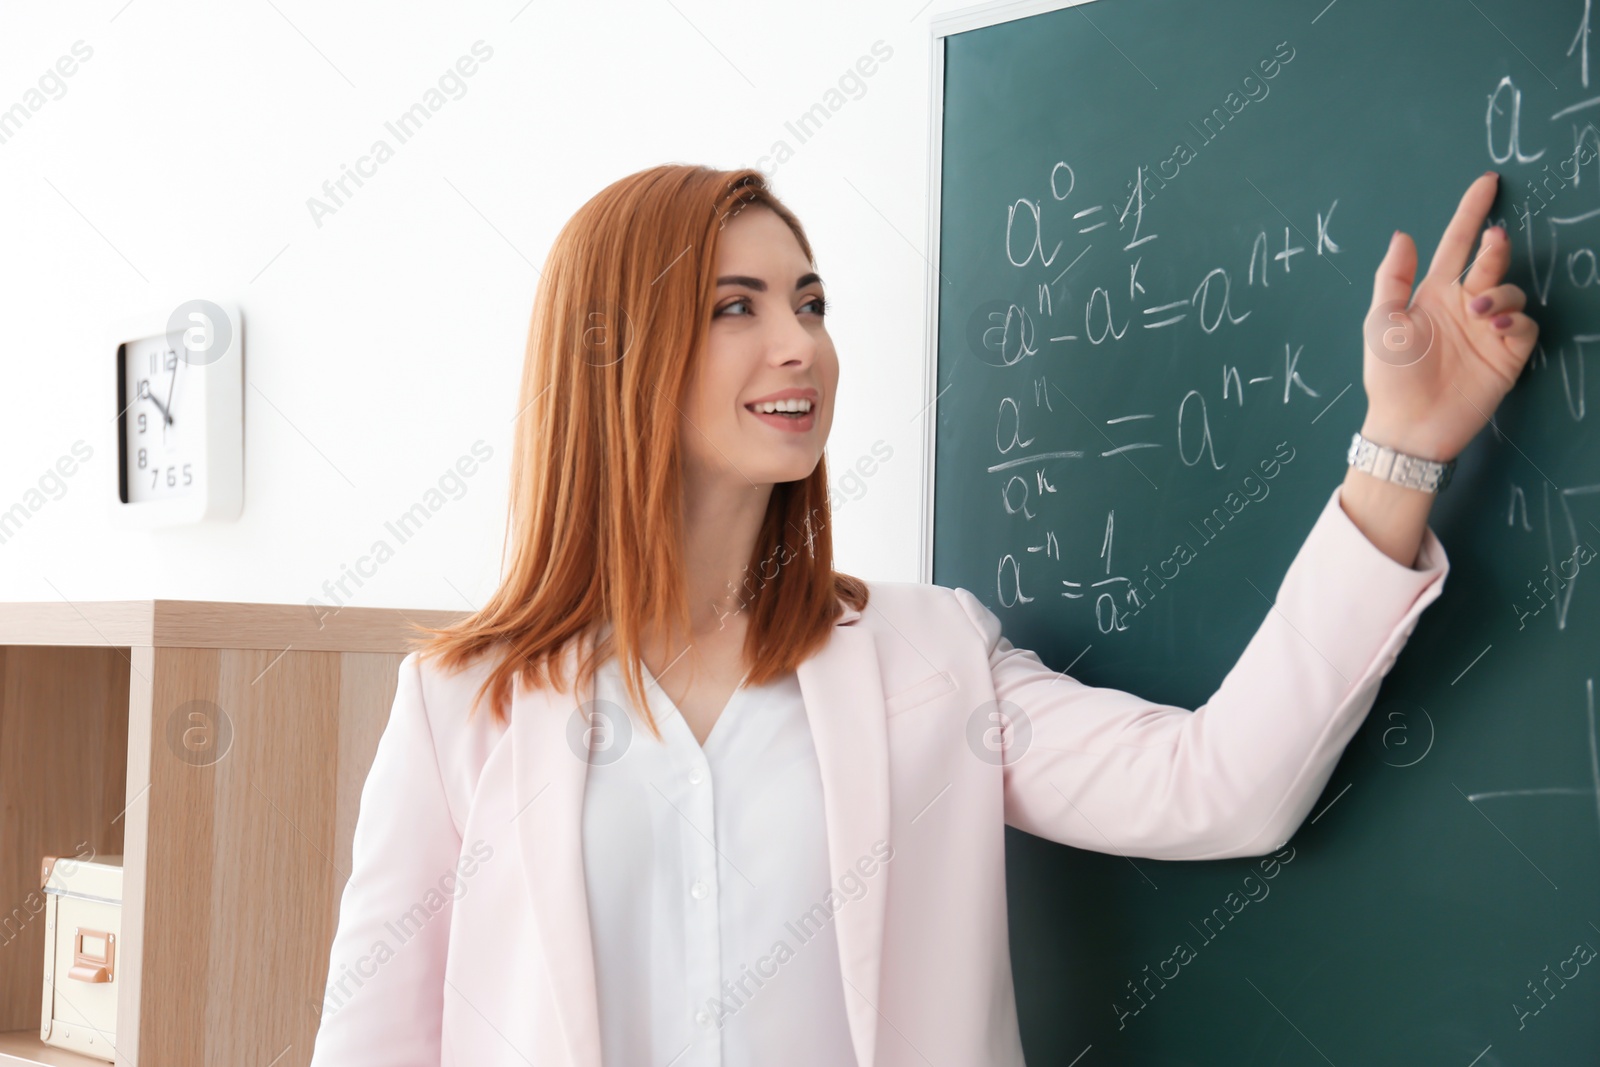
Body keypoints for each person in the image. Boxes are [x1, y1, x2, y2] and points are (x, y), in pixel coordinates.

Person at [306, 165, 1535, 1066]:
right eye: (737, 306)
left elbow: (1221, 787)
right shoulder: (465, 704)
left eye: (812, 301)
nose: (801, 345)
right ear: (615, 351)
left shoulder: (927, 658)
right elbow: (374, 1041)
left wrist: (1399, 452)